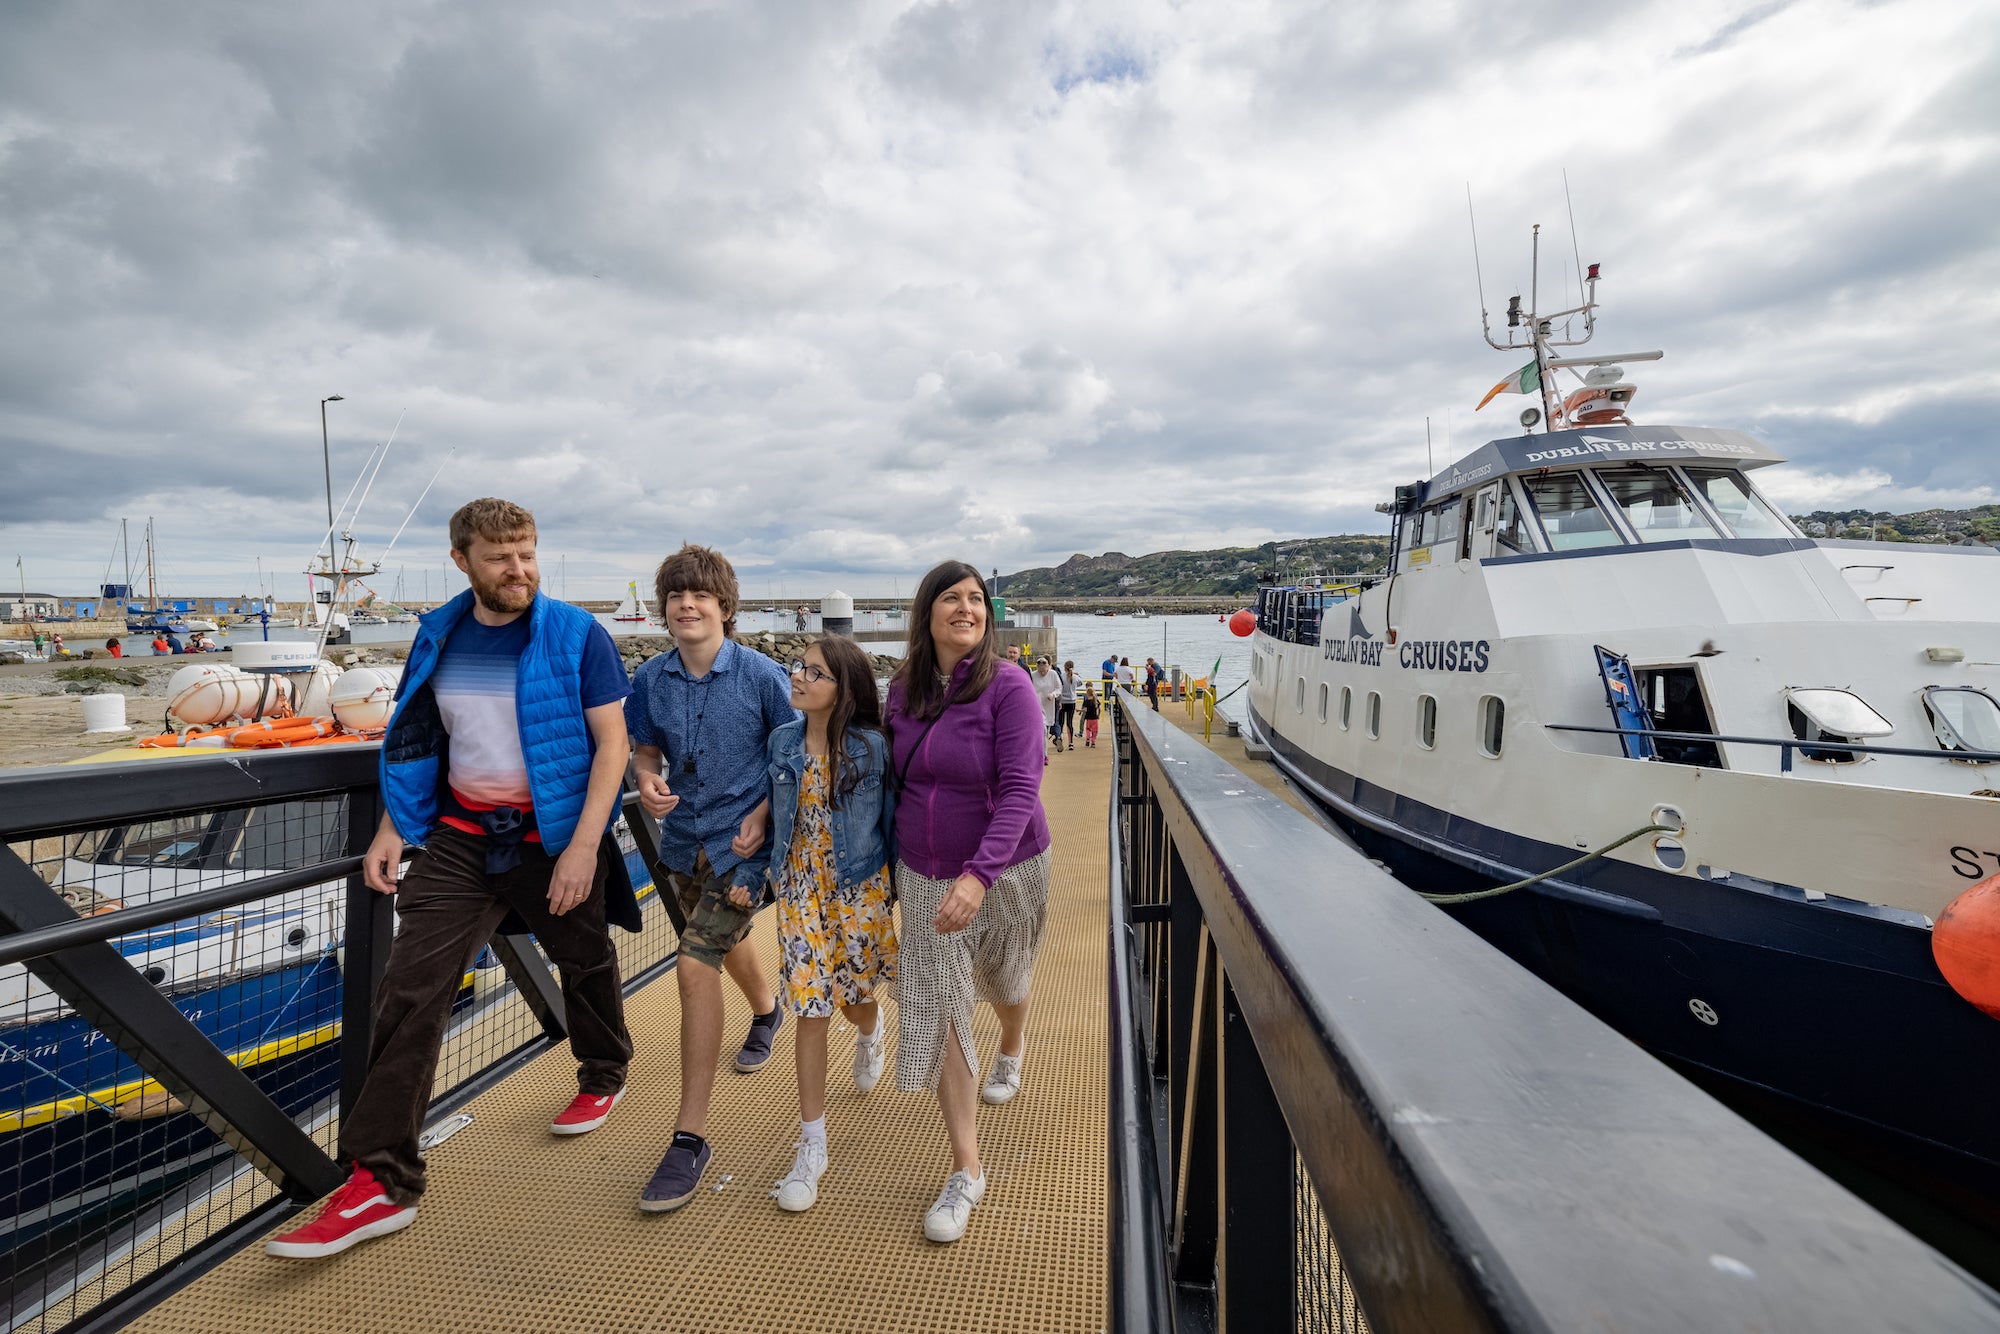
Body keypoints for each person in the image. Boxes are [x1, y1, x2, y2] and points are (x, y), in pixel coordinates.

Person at [267, 497, 638, 1259]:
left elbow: (613, 746)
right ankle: (382, 1179)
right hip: (462, 839)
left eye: (528, 552)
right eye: (501, 556)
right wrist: (392, 827)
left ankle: (604, 1069)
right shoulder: (439, 632)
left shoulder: (575, 634)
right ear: (461, 559)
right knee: (411, 990)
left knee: (585, 956)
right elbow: (417, 737)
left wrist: (582, 849)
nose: (519, 570)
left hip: (553, 836)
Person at [886, 560, 1052, 1244]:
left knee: (1006, 978)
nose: (966, 608)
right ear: (927, 613)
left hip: (1007, 866)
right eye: (951, 598)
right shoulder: (901, 691)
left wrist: (979, 875)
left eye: (976, 599)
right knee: (944, 1004)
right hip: (922, 873)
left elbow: (1021, 789)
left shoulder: (1009, 687)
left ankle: (1012, 1043)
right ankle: (966, 1169)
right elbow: (882, 777)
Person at [627, 544, 796, 1213]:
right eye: (675, 596)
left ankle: (689, 1138)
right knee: (723, 943)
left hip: (746, 847)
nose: (686, 605)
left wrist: (762, 816)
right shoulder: (651, 681)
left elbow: (796, 753)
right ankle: (766, 1009)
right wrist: (645, 779)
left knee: (695, 965)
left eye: (699, 595)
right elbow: (643, 748)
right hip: (683, 842)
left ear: (724, 606)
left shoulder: (759, 675)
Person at [764, 636, 898, 1213]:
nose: (797, 676)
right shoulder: (781, 742)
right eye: (797, 666)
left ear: (843, 689)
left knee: (853, 1000)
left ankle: (870, 1034)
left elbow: (896, 816)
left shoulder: (872, 746)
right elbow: (770, 803)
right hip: (798, 894)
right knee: (810, 1008)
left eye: (813, 671)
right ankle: (812, 1144)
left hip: (858, 891)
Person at [1028, 656, 1062, 755]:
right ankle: (1043, 754)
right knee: (1041, 730)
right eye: (1040, 671)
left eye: (1044, 671)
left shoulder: (1053, 674)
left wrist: (1053, 694)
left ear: (1048, 667)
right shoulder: (1033, 675)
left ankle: (1043, 753)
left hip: (1048, 705)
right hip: (1036, 706)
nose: (1042, 673)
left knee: (1045, 730)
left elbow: (1059, 688)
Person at [1056, 661, 1079, 751]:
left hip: (1063, 701)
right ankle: (1071, 743)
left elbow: (1058, 686)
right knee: (1069, 722)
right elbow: (1080, 683)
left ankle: (1059, 738)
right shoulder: (1075, 677)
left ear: (1064, 667)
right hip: (1072, 701)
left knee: (1060, 722)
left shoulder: (1061, 676)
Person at [1080, 683, 1101, 748]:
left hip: (1088, 718)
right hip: (1095, 718)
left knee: (1088, 729)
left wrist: (1079, 710)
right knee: (1095, 731)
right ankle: (1093, 742)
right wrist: (1098, 715)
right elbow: (1099, 709)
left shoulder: (1086, 701)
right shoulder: (1096, 701)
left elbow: (1085, 709)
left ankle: (1088, 738)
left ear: (1087, 694)